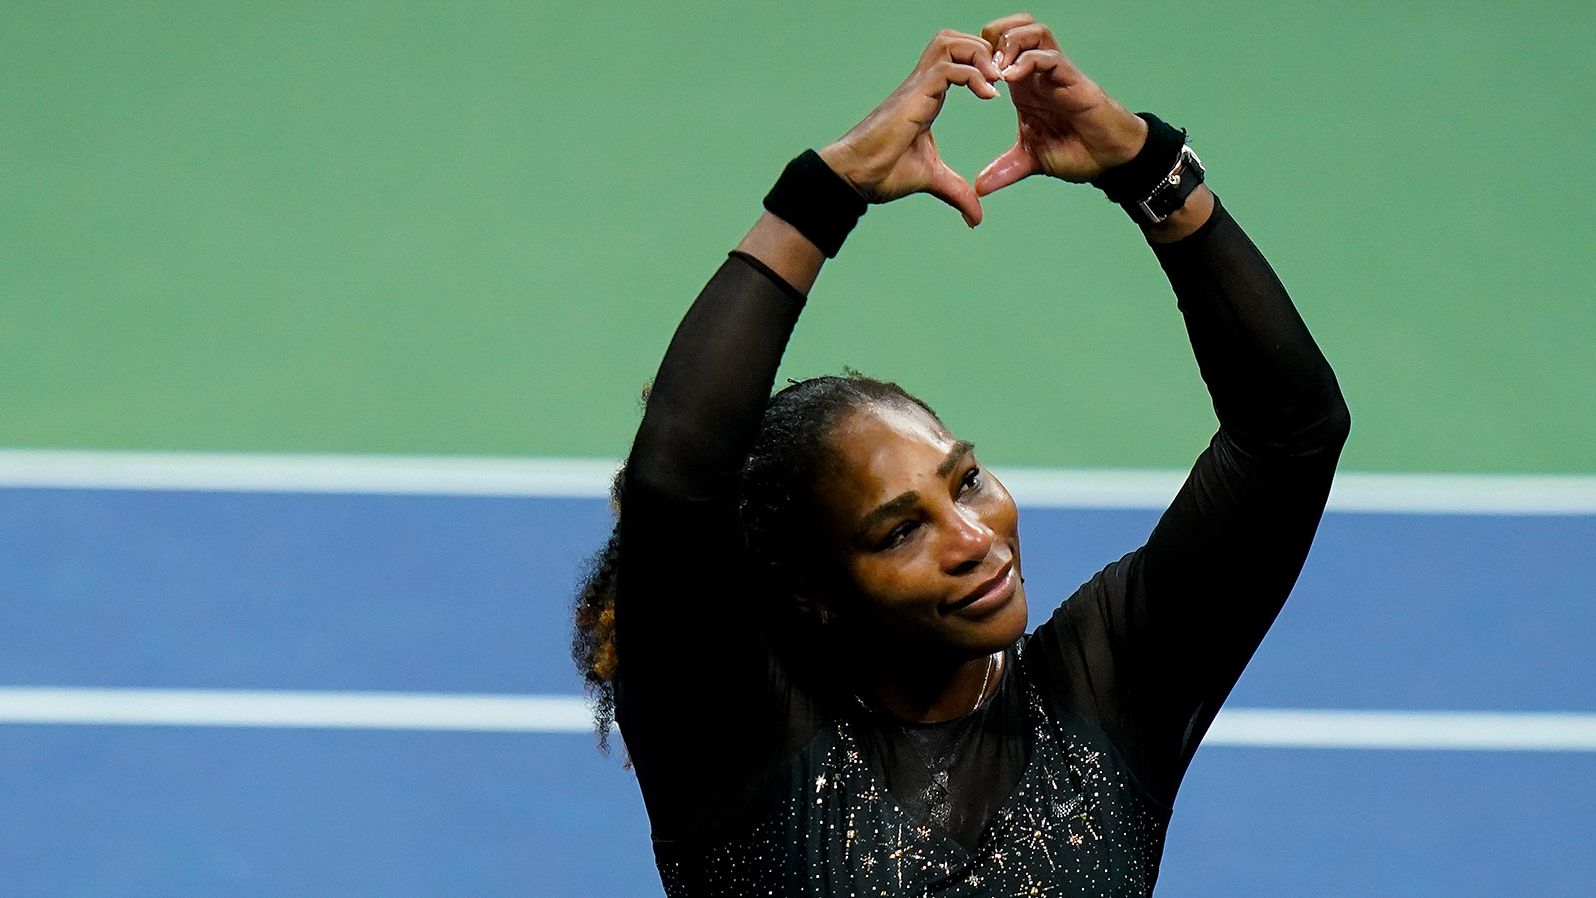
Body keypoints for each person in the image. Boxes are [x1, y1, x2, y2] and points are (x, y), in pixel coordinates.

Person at [572, 13, 1350, 897]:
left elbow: (1291, 434)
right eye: (900, 531)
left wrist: (1148, 170)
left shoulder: (1106, 690)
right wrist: (824, 194)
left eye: (966, 482)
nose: (974, 537)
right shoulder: (736, 738)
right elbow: (676, 481)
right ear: (812, 592)